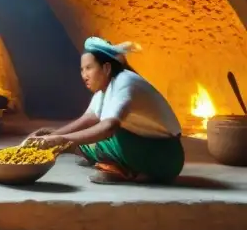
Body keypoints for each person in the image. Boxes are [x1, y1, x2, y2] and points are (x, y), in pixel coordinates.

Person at [27, 37, 184, 185]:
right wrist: (54, 135)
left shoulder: (125, 82)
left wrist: (61, 141)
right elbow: (88, 119)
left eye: (89, 68)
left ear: (106, 68)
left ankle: (123, 169)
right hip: (144, 147)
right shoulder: (104, 89)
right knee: (84, 142)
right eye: (82, 70)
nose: (84, 75)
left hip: (165, 156)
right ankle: (122, 166)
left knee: (96, 139)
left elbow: (108, 128)